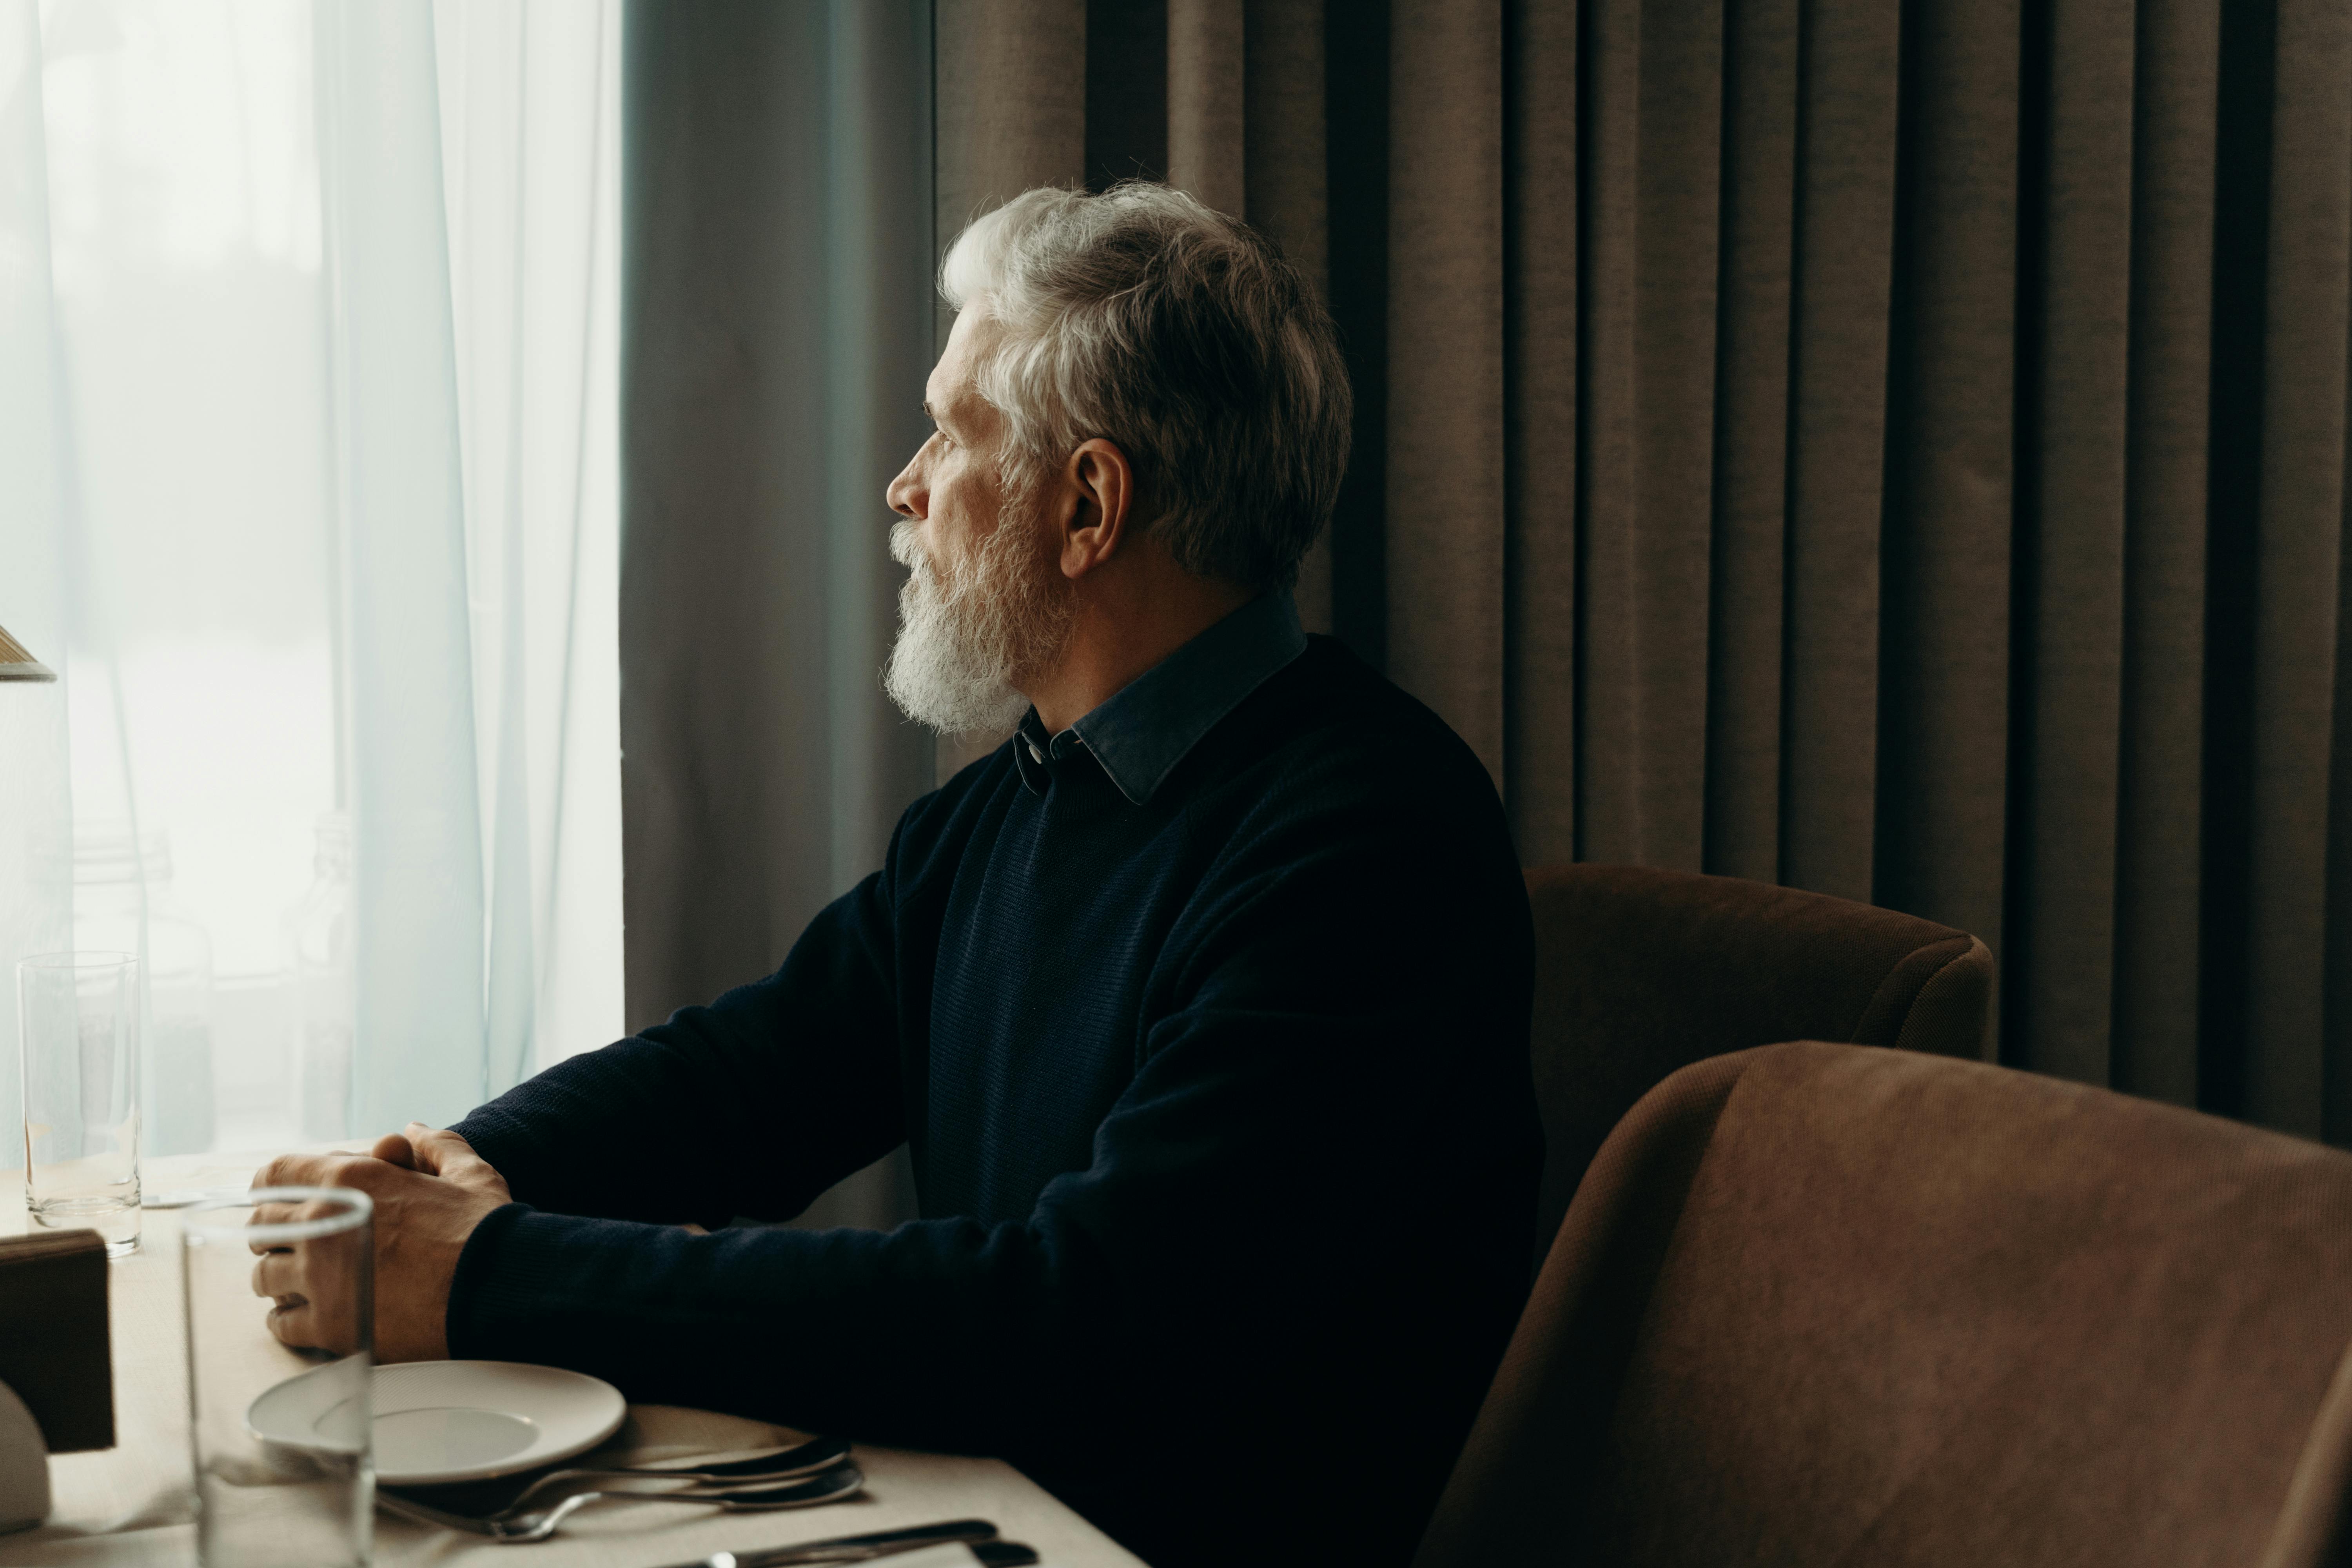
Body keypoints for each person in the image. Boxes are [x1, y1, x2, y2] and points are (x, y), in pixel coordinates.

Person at [253, 183, 1539, 1568]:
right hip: (991, 1512)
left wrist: (485, 1274)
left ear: (1087, 505)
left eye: (951, 431)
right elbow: (754, 1073)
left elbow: (1077, 1324)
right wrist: (463, 1169)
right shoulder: (1022, 797)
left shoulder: (1368, 850)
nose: (906, 485)